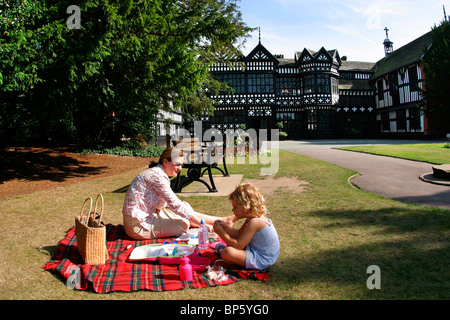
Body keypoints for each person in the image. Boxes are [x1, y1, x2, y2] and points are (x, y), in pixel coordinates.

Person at [123, 147, 236, 240]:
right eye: (177, 164)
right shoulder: (156, 177)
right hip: (138, 225)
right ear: (165, 162)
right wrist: (203, 225)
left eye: (182, 165)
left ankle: (221, 221)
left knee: (185, 209)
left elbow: (173, 205)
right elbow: (175, 204)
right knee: (185, 223)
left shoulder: (158, 174)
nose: (180, 168)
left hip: (148, 215)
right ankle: (215, 224)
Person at [213, 183, 280, 270]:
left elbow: (238, 245)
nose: (233, 210)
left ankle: (236, 264)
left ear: (246, 206)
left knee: (228, 252)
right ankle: (236, 261)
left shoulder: (255, 222)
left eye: (235, 207)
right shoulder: (252, 218)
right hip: (257, 252)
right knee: (230, 245)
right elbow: (239, 234)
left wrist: (221, 233)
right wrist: (226, 228)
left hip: (263, 260)